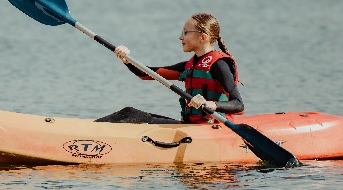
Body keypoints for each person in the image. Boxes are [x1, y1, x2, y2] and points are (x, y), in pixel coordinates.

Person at [95, 13, 243, 124]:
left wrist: (210, 104)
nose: (180, 37)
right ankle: (92, 130)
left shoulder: (219, 65)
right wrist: (126, 59)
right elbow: (145, 74)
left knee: (133, 116)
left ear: (203, 37)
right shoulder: (189, 66)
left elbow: (238, 105)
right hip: (190, 125)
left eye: (186, 32)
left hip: (211, 128)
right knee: (129, 113)